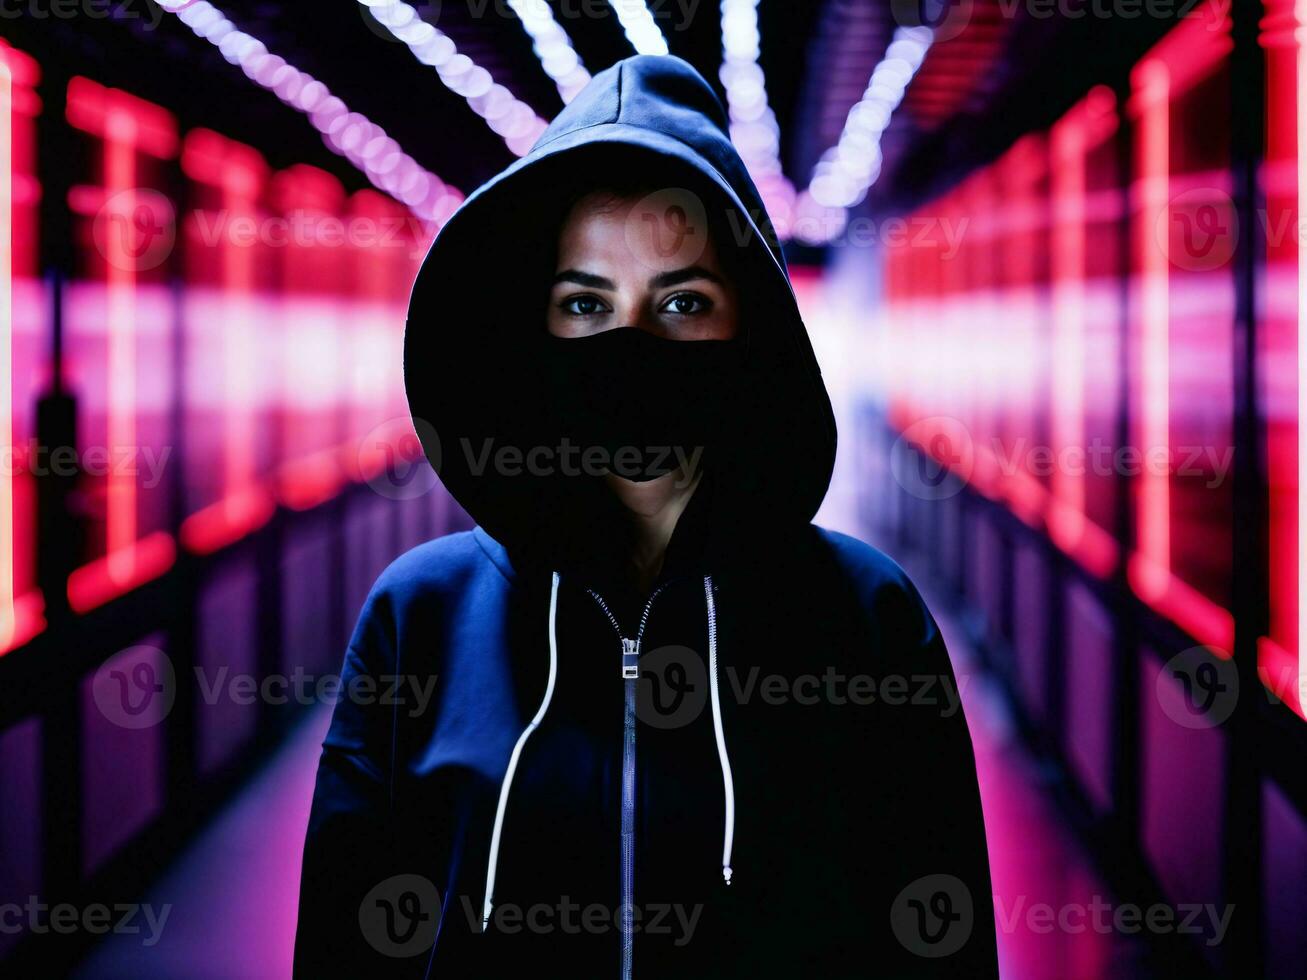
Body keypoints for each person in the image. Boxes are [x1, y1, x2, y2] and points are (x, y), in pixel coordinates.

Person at [294, 54, 998, 978]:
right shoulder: (419, 618)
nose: (631, 347)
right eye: (585, 304)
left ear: (752, 332)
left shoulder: (864, 621)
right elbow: (343, 950)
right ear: (530, 332)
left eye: (681, 302)